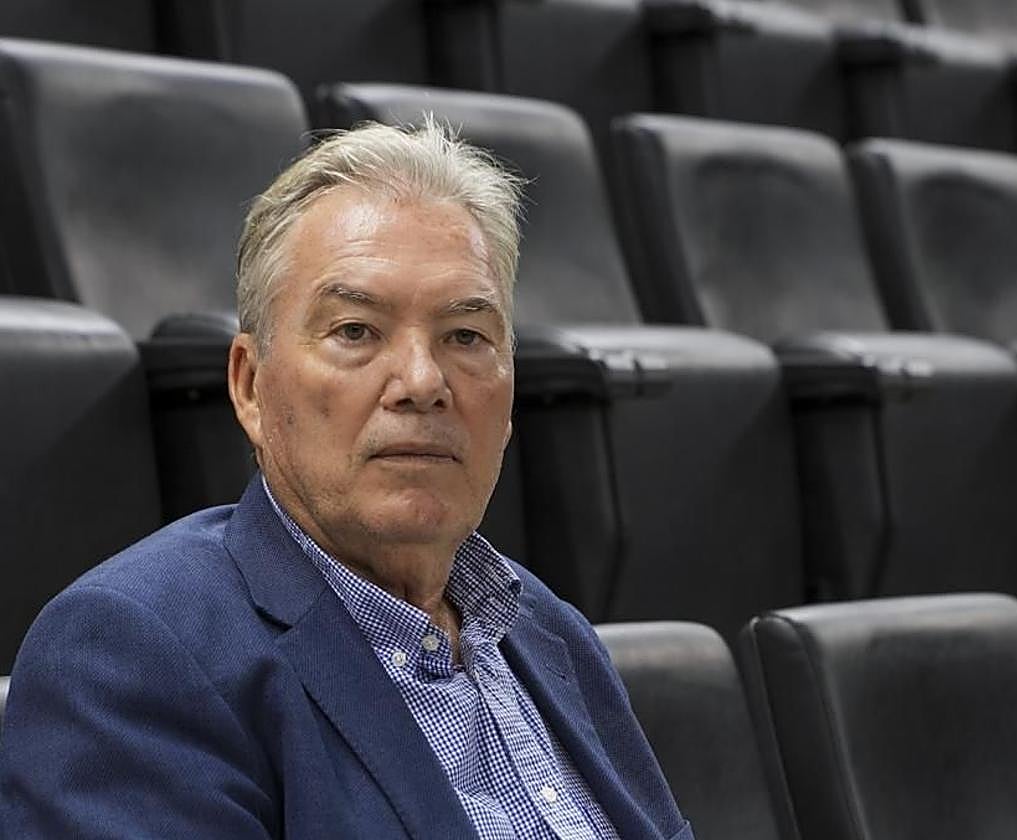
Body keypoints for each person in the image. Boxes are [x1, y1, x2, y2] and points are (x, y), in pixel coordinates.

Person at [0, 120, 691, 839]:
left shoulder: (551, 631)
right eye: (355, 331)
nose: (423, 382)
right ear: (250, 387)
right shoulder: (130, 652)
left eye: (466, 337)